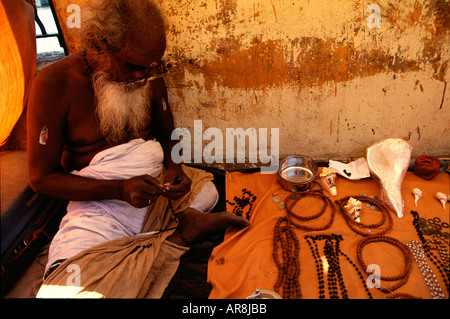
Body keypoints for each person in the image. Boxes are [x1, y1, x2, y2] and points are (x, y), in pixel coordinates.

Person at [27, 0, 249, 297]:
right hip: (101, 205)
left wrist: (174, 169)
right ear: (99, 46)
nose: (144, 76)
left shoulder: (148, 71)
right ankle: (181, 234)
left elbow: (170, 135)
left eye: (153, 66)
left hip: (156, 191)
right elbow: (41, 178)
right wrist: (119, 189)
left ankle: (177, 229)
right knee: (66, 290)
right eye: (133, 67)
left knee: (206, 188)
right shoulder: (54, 83)